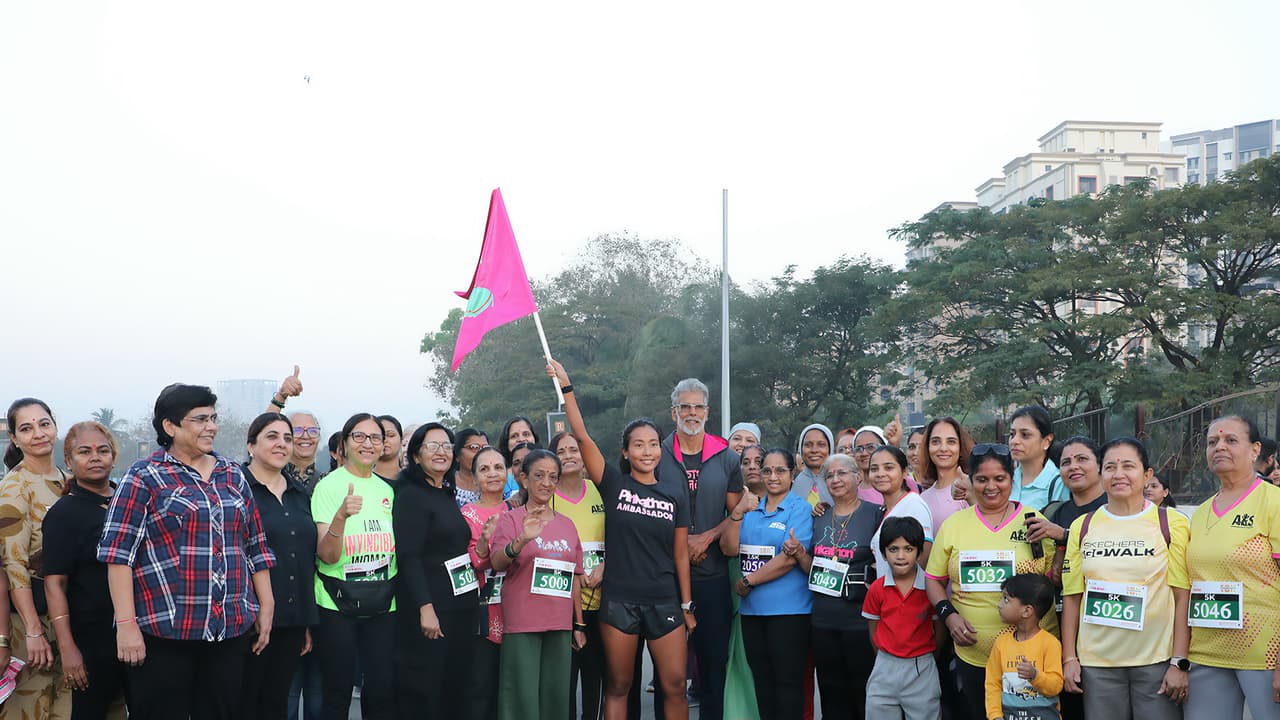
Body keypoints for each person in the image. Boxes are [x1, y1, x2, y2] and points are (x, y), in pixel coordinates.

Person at [97, 383, 276, 720]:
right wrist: (126, 625)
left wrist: (266, 604)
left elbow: (255, 545)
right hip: (165, 632)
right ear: (170, 426)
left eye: (213, 417)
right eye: (200, 419)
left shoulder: (232, 475)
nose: (211, 426)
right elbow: (118, 555)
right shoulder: (145, 477)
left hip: (229, 629)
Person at [547, 359, 695, 720]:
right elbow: (581, 436)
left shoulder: (674, 495)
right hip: (619, 602)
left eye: (653, 444)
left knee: (674, 685)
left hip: (664, 601)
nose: (647, 451)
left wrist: (687, 606)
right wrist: (568, 388)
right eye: (638, 445)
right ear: (626, 452)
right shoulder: (613, 484)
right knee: (618, 686)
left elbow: (680, 555)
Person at [1059, 436, 1189, 719]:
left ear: (1147, 475)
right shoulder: (1083, 526)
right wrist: (1070, 657)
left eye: (1128, 466)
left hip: (1156, 661)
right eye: (1110, 467)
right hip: (1098, 664)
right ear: (1101, 474)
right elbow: (1072, 597)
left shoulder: (1172, 523)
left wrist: (1179, 662)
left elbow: (1182, 597)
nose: (1118, 474)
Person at [925, 443, 1057, 720]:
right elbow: (933, 579)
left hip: (1030, 660)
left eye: (1000, 478)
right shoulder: (954, 525)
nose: (991, 487)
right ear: (971, 481)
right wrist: (949, 617)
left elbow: (1054, 578)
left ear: (1013, 478)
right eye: (982, 479)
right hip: (973, 655)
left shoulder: (1034, 522)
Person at [1184, 415, 1280, 720]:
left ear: (1255, 450)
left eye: (1230, 440)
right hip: (1206, 652)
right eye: (1212, 442)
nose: (1219, 447)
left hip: (1264, 653)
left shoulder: (1273, 502)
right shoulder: (1199, 514)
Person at [657, 377, 742, 720]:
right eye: (685, 406)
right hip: (665, 578)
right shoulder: (657, 454)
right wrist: (679, 544)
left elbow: (737, 514)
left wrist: (705, 537)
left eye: (698, 407)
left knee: (713, 666)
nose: (691, 413)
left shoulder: (727, 456)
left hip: (712, 575)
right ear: (673, 411)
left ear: (708, 412)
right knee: (671, 674)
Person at [310, 413, 397, 720]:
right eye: (358, 436)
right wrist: (340, 518)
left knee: (382, 689)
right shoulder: (329, 487)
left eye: (375, 437)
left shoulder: (388, 490)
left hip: (383, 603)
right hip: (336, 603)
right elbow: (328, 555)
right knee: (337, 691)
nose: (367, 443)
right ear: (344, 444)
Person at [490, 449, 586, 720]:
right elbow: (497, 562)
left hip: (559, 623)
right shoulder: (511, 519)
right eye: (539, 476)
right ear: (524, 479)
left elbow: (574, 577)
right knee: (522, 700)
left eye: (553, 477)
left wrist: (578, 625)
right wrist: (521, 539)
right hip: (523, 622)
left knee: (555, 699)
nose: (546, 483)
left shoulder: (567, 525)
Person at [393, 423, 480, 719]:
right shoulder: (410, 496)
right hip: (433, 609)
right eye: (432, 446)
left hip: (460, 607)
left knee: (454, 687)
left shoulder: (444, 493)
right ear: (416, 456)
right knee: (426, 688)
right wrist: (425, 607)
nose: (441, 451)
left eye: (446, 445)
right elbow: (409, 557)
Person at [43, 421, 127, 720]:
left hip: (139, 636)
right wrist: (68, 649)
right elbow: (54, 584)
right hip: (92, 642)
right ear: (68, 460)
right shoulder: (64, 514)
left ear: (113, 457)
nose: (95, 457)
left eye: (103, 450)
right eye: (84, 451)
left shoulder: (128, 502)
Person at [720, 448, 812, 720]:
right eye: (767, 470)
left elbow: (789, 559)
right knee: (762, 683)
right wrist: (737, 513)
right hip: (752, 613)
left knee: (788, 686)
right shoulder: (751, 509)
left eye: (780, 470)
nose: (773, 476)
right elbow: (729, 548)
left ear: (792, 475)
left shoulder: (800, 508)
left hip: (789, 613)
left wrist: (750, 580)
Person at [240, 413, 319, 720]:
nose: (282, 444)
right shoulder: (236, 487)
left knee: (277, 704)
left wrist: (306, 620)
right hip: (248, 619)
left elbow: (306, 558)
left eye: (287, 438)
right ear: (251, 445)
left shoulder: (300, 494)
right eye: (271, 437)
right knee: (244, 702)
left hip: (293, 618)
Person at [793, 453, 881, 719]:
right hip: (822, 621)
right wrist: (798, 553)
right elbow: (813, 570)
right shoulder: (818, 516)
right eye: (829, 475)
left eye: (842, 473)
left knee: (862, 693)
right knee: (831, 694)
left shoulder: (875, 514)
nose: (835, 479)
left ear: (858, 477)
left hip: (859, 622)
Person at [1, 397, 71, 720]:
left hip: (70, 615)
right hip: (33, 619)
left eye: (44, 424)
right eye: (26, 429)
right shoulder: (15, 486)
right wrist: (32, 631)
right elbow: (13, 564)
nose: (38, 434)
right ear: (14, 438)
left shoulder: (67, 480)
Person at [550, 432, 607, 720]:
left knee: (595, 677)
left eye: (574, 449)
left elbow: (619, 537)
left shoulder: (600, 490)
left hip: (600, 600)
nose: (570, 454)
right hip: (561, 603)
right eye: (562, 450)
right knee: (565, 681)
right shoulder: (546, 498)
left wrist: (602, 568)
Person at [862, 516, 941, 720]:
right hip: (885, 666)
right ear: (883, 553)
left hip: (921, 667)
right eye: (893, 549)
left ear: (919, 552)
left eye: (908, 549)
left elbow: (940, 631)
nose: (901, 556)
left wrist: (928, 657)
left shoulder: (931, 589)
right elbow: (874, 629)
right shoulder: (877, 589)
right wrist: (884, 658)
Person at [462, 446, 512, 720]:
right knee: (481, 689)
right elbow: (471, 564)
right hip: (481, 615)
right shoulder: (465, 515)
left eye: (498, 467)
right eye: (484, 469)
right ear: (474, 477)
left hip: (518, 613)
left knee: (511, 691)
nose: (493, 474)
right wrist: (484, 542)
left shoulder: (518, 511)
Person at [984, 574, 1063, 720]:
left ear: (1027, 611)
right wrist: (995, 715)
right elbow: (993, 684)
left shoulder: (1050, 643)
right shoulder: (1001, 643)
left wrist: (1035, 675)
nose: (999, 604)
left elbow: (1055, 686)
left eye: (1006, 599)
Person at [868, 446, 934, 579]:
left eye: (888, 468)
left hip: (907, 596)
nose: (880, 474)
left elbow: (923, 559)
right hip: (886, 594)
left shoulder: (914, 505)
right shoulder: (884, 509)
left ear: (904, 472)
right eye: (874, 469)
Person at [918, 417, 975, 533]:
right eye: (936, 442)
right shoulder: (923, 499)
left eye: (951, 442)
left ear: (961, 447)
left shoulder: (971, 489)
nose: (943, 448)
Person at [1007, 406, 1067, 511]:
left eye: (1025, 435)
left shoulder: (1059, 484)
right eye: (1012, 434)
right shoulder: (1007, 480)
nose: (1014, 441)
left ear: (1047, 441)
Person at [790, 424, 833, 507]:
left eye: (821, 444)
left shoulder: (838, 481)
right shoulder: (795, 484)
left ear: (830, 448)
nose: (814, 450)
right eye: (808, 445)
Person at [499, 417, 541, 500]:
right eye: (514, 436)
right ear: (506, 442)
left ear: (534, 438)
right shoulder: (500, 477)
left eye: (526, 434)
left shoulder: (548, 470)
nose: (521, 439)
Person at [454, 428, 490, 508]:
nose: (481, 453)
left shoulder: (497, 484)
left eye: (485, 448)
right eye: (474, 447)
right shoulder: (445, 486)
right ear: (457, 455)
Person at [375, 415, 403, 479]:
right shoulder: (361, 479)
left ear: (401, 440)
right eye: (377, 436)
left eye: (390, 435)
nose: (385, 440)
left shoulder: (413, 481)